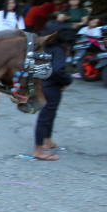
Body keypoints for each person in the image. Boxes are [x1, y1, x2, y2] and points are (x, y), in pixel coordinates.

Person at [33, 21, 73, 161]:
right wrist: (67, 81)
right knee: (45, 117)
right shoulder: (58, 50)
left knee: (49, 114)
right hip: (52, 87)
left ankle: (47, 140)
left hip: (40, 85)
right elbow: (57, 70)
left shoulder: (41, 46)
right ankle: (38, 149)